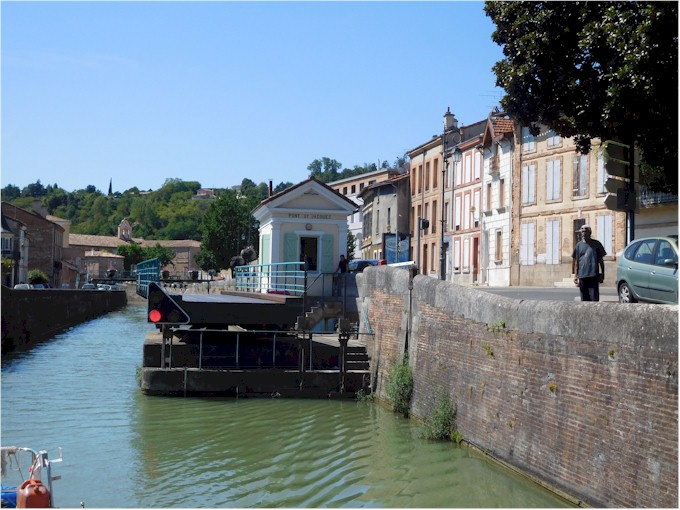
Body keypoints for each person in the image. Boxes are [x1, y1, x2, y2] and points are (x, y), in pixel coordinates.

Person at [572, 225, 606, 301]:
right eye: (582, 231)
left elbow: (601, 260)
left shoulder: (597, 244)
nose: (584, 233)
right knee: (584, 299)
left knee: (594, 298)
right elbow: (576, 262)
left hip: (593, 275)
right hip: (582, 276)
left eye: (585, 231)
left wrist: (602, 274)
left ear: (590, 233)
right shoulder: (578, 245)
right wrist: (576, 276)